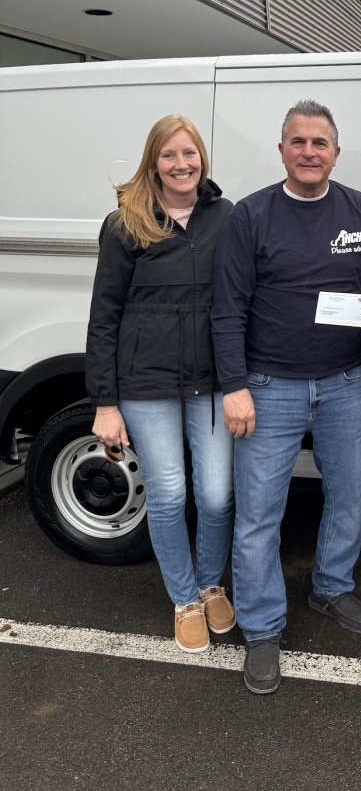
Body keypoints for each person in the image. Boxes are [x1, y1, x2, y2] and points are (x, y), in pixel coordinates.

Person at [211, 98, 361, 696]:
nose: (309, 152)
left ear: (335, 152)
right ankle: (263, 626)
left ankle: (331, 588)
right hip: (268, 388)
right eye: (298, 141)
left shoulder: (359, 209)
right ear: (281, 150)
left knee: (346, 497)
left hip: (344, 383)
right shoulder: (251, 215)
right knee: (259, 515)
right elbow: (227, 308)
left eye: (320, 143)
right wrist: (235, 386)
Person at [86, 115, 235, 654]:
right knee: (169, 494)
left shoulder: (226, 216)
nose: (181, 164)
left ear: (202, 159)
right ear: (154, 162)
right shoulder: (126, 223)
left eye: (189, 153)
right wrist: (105, 401)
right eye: (169, 155)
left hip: (212, 382)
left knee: (217, 495)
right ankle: (185, 599)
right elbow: (104, 315)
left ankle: (211, 582)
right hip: (144, 385)